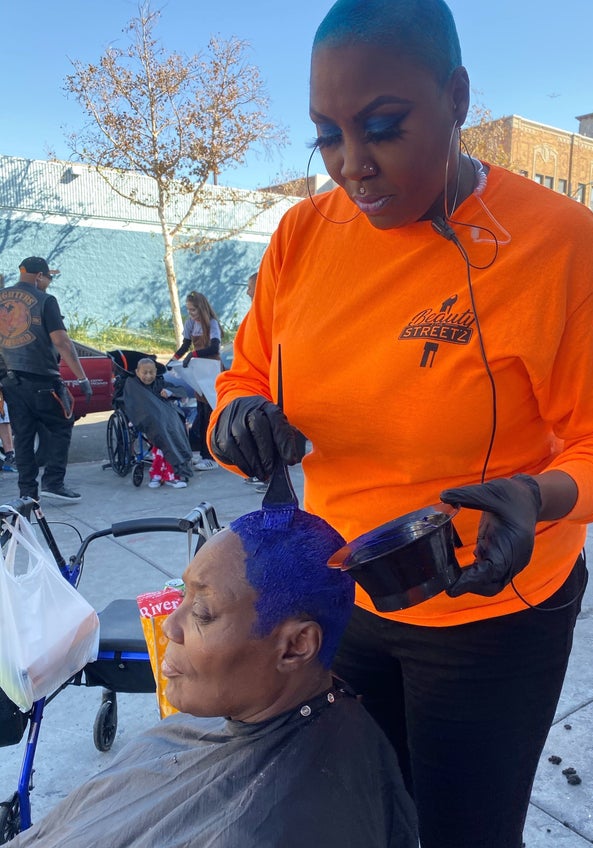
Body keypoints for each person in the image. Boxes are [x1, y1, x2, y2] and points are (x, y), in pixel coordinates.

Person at [207, 2, 593, 846]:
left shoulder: (559, 248)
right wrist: (236, 416)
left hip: (491, 617)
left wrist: (543, 494)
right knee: (362, 817)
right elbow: (245, 371)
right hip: (341, 596)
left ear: (456, 97)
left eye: (383, 127)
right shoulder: (302, 237)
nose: (354, 165)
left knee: (465, 831)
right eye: (327, 135)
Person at [8, 508, 418, 848]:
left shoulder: (264, 828)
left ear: (295, 646)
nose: (170, 626)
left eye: (202, 613)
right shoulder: (265, 715)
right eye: (182, 596)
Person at [0, 258, 92, 503]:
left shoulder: (1, 297)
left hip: (9, 380)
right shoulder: (45, 300)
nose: (49, 282)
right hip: (41, 378)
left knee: (23, 435)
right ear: (39, 276)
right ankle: (53, 481)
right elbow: (62, 341)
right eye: (48, 278)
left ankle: (27, 493)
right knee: (62, 424)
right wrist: (82, 377)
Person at [169, 290, 222, 471]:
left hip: (211, 369)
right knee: (201, 412)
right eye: (188, 310)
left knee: (209, 413)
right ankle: (203, 452)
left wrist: (194, 354)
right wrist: (173, 359)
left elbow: (214, 347)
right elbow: (185, 345)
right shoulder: (191, 324)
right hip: (199, 370)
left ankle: (211, 457)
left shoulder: (212, 324)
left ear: (202, 308)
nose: (190, 313)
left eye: (193, 310)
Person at [134, 357, 189, 489]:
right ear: (137, 372)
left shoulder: (160, 383)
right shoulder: (134, 387)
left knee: (169, 436)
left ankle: (158, 474)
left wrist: (169, 392)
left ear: (156, 372)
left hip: (165, 421)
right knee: (166, 440)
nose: (148, 376)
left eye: (151, 372)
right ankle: (167, 475)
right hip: (148, 422)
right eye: (145, 373)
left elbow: (180, 390)